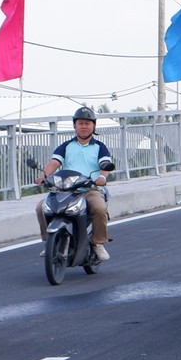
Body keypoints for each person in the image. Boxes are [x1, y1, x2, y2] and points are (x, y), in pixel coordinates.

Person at [39, 107, 113, 264]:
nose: (84, 126)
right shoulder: (66, 146)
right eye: (80, 123)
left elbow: (105, 164)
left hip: (89, 189)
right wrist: (44, 175)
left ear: (93, 126)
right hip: (65, 189)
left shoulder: (100, 147)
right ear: (74, 126)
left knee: (99, 209)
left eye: (87, 123)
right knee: (41, 207)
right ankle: (49, 242)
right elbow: (54, 162)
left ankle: (98, 243)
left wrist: (102, 177)